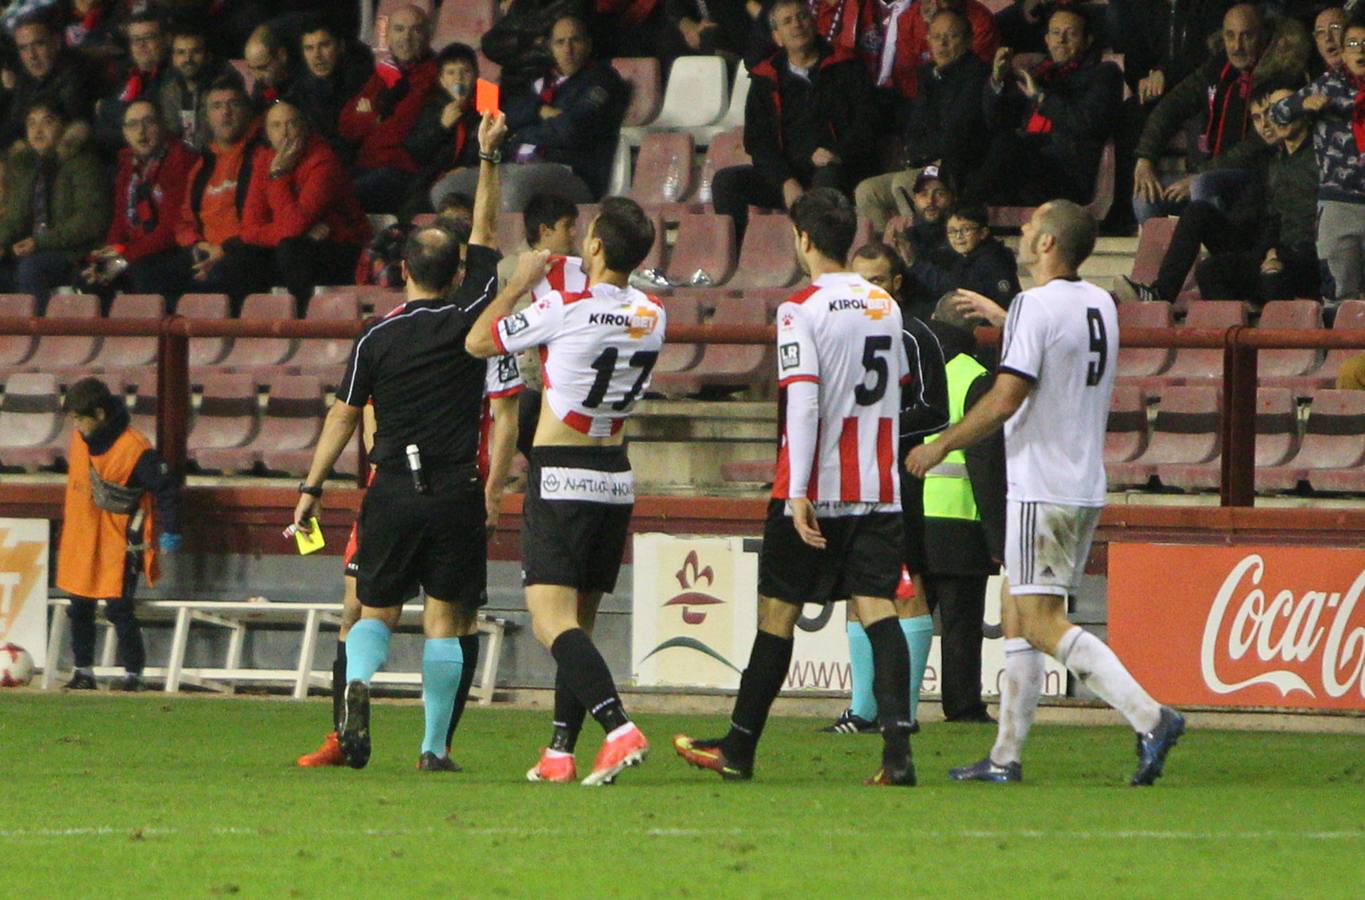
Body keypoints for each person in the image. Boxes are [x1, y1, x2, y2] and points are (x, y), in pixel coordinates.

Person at [906, 200, 1186, 786]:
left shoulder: (1036, 306)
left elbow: (1007, 398)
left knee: (1038, 621)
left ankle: (1151, 716)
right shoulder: (1100, 304)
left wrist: (939, 446)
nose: (1025, 229)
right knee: (1016, 613)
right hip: (1080, 479)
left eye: (1034, 224)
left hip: (1042, 482)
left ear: (1049, 244)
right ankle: (1005, 757)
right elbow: (1058, 347)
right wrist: (1009, 315)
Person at [290, 110, 518, 772]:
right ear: (455, 275)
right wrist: (487, 157)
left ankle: (358, 682)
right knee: (448, 622)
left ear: (402, 273)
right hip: (455, 491)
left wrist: (309, 487)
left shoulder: (376, 336)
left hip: (390, 488)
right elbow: (484, 230)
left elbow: (341, 416)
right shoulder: (470, 317)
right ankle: (432, 747)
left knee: (373, 611)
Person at [673, 189, 917, 786]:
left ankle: (740, 746)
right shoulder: (885, 304)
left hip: (816, 485)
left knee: (777, 613)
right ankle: (897, 756)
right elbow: (900, 386)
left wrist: (798, 490)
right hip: (879, 487)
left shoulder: (799, 309)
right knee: (880, 611)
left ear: (803, 240)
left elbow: (802, 402)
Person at [465, 196, 665, 787]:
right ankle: (559, 750)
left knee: (551, 621)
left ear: (597, 246)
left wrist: (519, 284)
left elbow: (478, 342)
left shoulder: (562, 308)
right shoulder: (655, 312)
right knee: (579, 619)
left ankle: (619, 727)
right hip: (615, 475)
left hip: (561, 470)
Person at [820, 239, 949, 736]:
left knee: (906, 587)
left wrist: (875, 427)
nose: (867, 291)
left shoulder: (915, 335)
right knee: (858, 586)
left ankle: (906, 713)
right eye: (860, 281)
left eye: (876, 281)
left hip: (898, 476)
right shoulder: (842, 333)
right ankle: (862, 711)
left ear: (896, 285)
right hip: (851, 475)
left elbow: (934, 408)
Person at [1120, 81, 1320, 306]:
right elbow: (1263, 219)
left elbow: (1301, 220)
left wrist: (1275, 253)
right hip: (1259, 247)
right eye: (1262, 116)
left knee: (1218, 269)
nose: (1271, 121)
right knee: (1199, 216)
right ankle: (1160, 294)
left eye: (1283, 108)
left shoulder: (1318, 157)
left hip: (1297, 256)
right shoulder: (1271, 159)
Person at [712, 0, 877, 242]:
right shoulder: (765, 78)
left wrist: (838, 153)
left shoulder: (846, 66)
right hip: (789, 175)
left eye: (802, 17)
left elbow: (868, 122)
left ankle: (820, 257)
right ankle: (734, 259)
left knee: (826, 181)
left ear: (813, 23)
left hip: (837, 168)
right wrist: (785, 181)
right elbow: (758, 143)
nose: (797, 25)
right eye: (787, 21)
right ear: (777, 37)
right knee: (726, 182)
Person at [56, 377, 181, 693]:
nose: (75, 426)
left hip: (119, 543)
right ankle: (83, 670)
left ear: (98, 414)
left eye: (79, 419)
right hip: (81, 540)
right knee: (79, 605)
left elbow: (166, 487)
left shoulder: (134, 449)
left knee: (118, 608)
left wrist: (171, 530)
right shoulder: (79, 440)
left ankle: (133, 675)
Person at [1131, 4, 1311, 224]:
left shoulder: (1281, 75)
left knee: (1203, 186)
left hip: (1258, 177)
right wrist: (1145, 158)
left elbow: (1259, 143)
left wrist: (1202, 173)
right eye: (1230, 36)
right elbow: (1172, 104)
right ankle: (1165, 257)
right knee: (1145, 196)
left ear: (1263, 35)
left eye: (1247, 37)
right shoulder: (1217, 67)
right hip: (1206, 172)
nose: (1237, 46)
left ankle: (1218, 252)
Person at [918, 291, 1005, 724]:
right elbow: (985, 461)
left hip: (910, 516)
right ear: (974, 330)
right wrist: (998, 536)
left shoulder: (910, 369)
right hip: (960, 520)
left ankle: (889, 704)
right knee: (961, 624)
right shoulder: (975, 376)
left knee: (905, 618)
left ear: (933, 318)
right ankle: (963, 704)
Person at [961, 6, 1123, 207]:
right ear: (1046, 39)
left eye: (1070, 34)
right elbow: (998, 121)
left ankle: (961, 213)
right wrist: (997, 80)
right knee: (967, 145)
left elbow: (1087, 122)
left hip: (1065, 175)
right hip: (1023, 167)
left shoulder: (1104, 74)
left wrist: (1042, 98)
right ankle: (959, 214)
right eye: (1055, 33)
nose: (1060, 40)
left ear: (1088, 40)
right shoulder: (1039, 73)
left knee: (1007, 147)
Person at [854, 7, 991, 233]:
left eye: (952, 36)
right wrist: (915, 153)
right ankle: (889, 254)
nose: (942, 44)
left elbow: (957, 134)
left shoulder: (976, 75)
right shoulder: (928, 74)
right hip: (925, 163)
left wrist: (921, 154)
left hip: (956, 167)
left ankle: (921, 249)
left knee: (904, 185)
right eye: (936, 37)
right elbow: (915, 126)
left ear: (968, 41)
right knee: (866, 191)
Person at [1270, 14, 1365, 302]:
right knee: (1339, 296)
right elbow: (1278, 112)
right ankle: (1338, 349)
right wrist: (1303, 105)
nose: (1360, 50)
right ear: (1344, 52)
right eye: (1353, 44)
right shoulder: (1327, 85)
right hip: (1338, 207)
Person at [240, 100, 370, 307]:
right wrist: (293, 232)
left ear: (304, 128)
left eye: (291, 124)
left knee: (290, 250)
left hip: (342, 247)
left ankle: (304, 322)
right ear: (267, 132)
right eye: (276, 125)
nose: (285, 133)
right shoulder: (263, 160)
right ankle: (251, 329)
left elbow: (295, 224)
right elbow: (249, 230)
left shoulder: (323, 161)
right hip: (299, 243)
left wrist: (279, 176)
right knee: (241, 253)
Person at [492, 15, 628, 208]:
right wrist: (538, 111)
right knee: (451, 187)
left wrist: (520, 135)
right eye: (560, 42)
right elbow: (506, 116)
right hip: (518, 164)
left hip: (573, 172)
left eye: (575, 40)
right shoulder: (542, 80)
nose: (568, 49)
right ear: (550, 47)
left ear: (588, 44)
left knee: (512, 188)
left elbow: (571, 130)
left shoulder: (602, 80)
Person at [494, 193, 585, 460]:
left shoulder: (584, 269)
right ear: (545, 230)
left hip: (571, 375)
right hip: (527, 377)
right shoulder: (508, 269)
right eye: (567, 226)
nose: (573, 233)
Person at [84, 98, 198, 306]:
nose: (141, 132)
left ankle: (158, 337)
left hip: (171, 250)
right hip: (135, 252)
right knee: (90, 276)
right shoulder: (128, 165)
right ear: (125, 133)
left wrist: (123, 257)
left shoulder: (180, 159)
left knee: (142, 274)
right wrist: (110, 254)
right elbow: (120, 221)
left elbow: (170, 229)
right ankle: (111, 338)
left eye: (148, 122)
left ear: (163, 125)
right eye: (133, 125)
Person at [0, 100, 110, 310]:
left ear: (63, 126)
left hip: (74, 252)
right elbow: (15, 217)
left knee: (31, 269)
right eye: (31, 124)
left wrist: (40, 242)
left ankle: (37, 335)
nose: (37, 131)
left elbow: (90, 220)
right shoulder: (28, 166)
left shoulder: (82, 164)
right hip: (35, 247)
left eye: (46, 122)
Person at [338, 3, 437, 213]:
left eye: (416, 30)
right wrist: (374, 119)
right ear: (388, 35)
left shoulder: (433, 75)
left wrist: (368, 116)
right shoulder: (387, 71)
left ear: (428, 36)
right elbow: (346, 125)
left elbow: (397, 132)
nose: (406, 38)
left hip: (401, 170)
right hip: (366, 164)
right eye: (399, 29)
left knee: (335, 200)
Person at [404, 43, 483, 220]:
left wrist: (468, 168)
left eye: (465, 72)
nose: (459, 79)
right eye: (451, 73)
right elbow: (416, 152)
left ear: (476, 76)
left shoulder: (487, 102)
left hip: (475, 179)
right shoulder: (433, 107)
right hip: (435, 181)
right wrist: (441, 127)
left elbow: (494, 145)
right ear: (441, 79)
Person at [284, 17, 373, 164]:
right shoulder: (296, 92)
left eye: (324, 45)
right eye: (309, 48)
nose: (317, 55)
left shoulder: (364, 84)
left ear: (340, 46)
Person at [903, 203, 1021, 311]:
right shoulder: (964, 256)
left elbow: (957, 288)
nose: (958, 236)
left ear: (983, 233)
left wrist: (915, 264)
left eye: (966, 229)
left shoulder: (994, 260)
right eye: (952, 231)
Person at [876, 0, 998, 101]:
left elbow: (973, 74)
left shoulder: (981, 20)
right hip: (919, 101)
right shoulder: (910, 18)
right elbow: (907, 76)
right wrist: (929, 29)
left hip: (966, 100)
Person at [95, 10, 172, 154]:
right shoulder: (129, 76)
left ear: (166, 39)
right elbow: (100, 132)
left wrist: (106, 108)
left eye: (148, 37)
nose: (141, 45)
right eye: (135, 39)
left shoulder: (172, 77)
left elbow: (156, 128)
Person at [159, 23, 222, 150]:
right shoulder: (168, 92)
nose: (188, 59)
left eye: (196, 52)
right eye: (181, 52)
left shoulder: (223, 90)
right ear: (173, 58)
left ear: (207, 56)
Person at [243, 23, 295, 109]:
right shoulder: (261, 87)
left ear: (282, 55)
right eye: (252, 69)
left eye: (262, 68)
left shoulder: (304, 81)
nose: (257, 76)